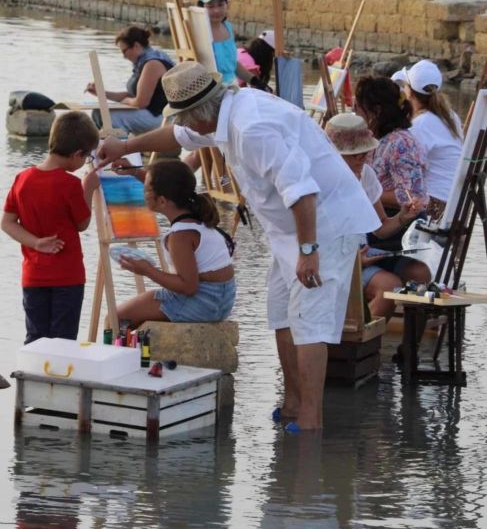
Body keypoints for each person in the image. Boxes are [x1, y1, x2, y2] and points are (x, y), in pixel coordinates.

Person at [97, 61, 381, 432]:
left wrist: (309, 252)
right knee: (281, 314)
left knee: (310, 324)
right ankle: (293, 402)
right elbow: (176, 137)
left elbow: (303, 192)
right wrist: (128, 144)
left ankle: (311, 420)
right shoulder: (222, 113)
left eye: (183, 118)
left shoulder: (252, 128)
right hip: (288, 229)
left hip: (323, 226)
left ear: (198, 115)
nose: (182, 125)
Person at [1, 111, 100, 344]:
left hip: (33, 276)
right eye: (86, 157)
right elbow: (82, 223)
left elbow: (7, 222)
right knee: (63, 342)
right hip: (68, 277)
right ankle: (59, 380)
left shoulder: (22, 179)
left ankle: (32, 379)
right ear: (77, 154)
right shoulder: (71, 185)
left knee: (35, 339)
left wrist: (35, 243)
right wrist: (89, 188)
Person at [109, 159, 236, 328]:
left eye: (146, 190)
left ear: (162, 201)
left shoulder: (180, 236)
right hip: (222, 299)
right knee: (140, 312)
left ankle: (119, 354)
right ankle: (139, 352)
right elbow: (167, 185)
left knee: (116, 318)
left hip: (204, 303)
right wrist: (134, 172)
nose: (143, 192)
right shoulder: (194, 214)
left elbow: (188, 286)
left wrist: (147, 270)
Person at [325, 113, 428, 320]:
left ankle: (405, 346)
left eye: (364, 153)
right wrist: (354, 261)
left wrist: (402, 216)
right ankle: (357, 340)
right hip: (331, 257)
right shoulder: (324, 180)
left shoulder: (366, 174)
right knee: (389, 286)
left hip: (361, 252)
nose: (361, 158)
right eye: (354, 154)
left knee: (421, 273)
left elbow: (380, 228)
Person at [354, 75, 429, 245]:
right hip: (378, 220)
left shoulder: (400, 143)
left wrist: (363, 191)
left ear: (377, 111)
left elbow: (411, 198)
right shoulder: (376, 139)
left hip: (398, 229)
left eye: (357, 108)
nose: (354, 113)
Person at [392, 60, 463, 221]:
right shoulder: (450, 116)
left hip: (434, 207)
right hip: (454, 205)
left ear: (409, 92)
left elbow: (406, 173)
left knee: (374, 194)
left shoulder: (421, 125)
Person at [85, 25, 174, 135]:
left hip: (161, 117)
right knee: (98, 112)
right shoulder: (143, 61)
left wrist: (126, 102)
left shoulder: (152, 64)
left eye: (124, 51)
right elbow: (132, 95)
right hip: (148, 113)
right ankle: (100, 146)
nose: (123, 56)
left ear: (136, 46)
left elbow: (141, 102)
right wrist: (102, 93)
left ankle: (118, 148)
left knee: (111, 117)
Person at [197, 0, 269, 90]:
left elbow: (233, 65)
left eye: (220, 5)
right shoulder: (199, 32)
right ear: (201, 7)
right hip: (211, 91)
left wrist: (255, 81)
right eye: (210, 6)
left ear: (227, 5)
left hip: (232, 87)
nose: (216, 10)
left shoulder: (228, 27)